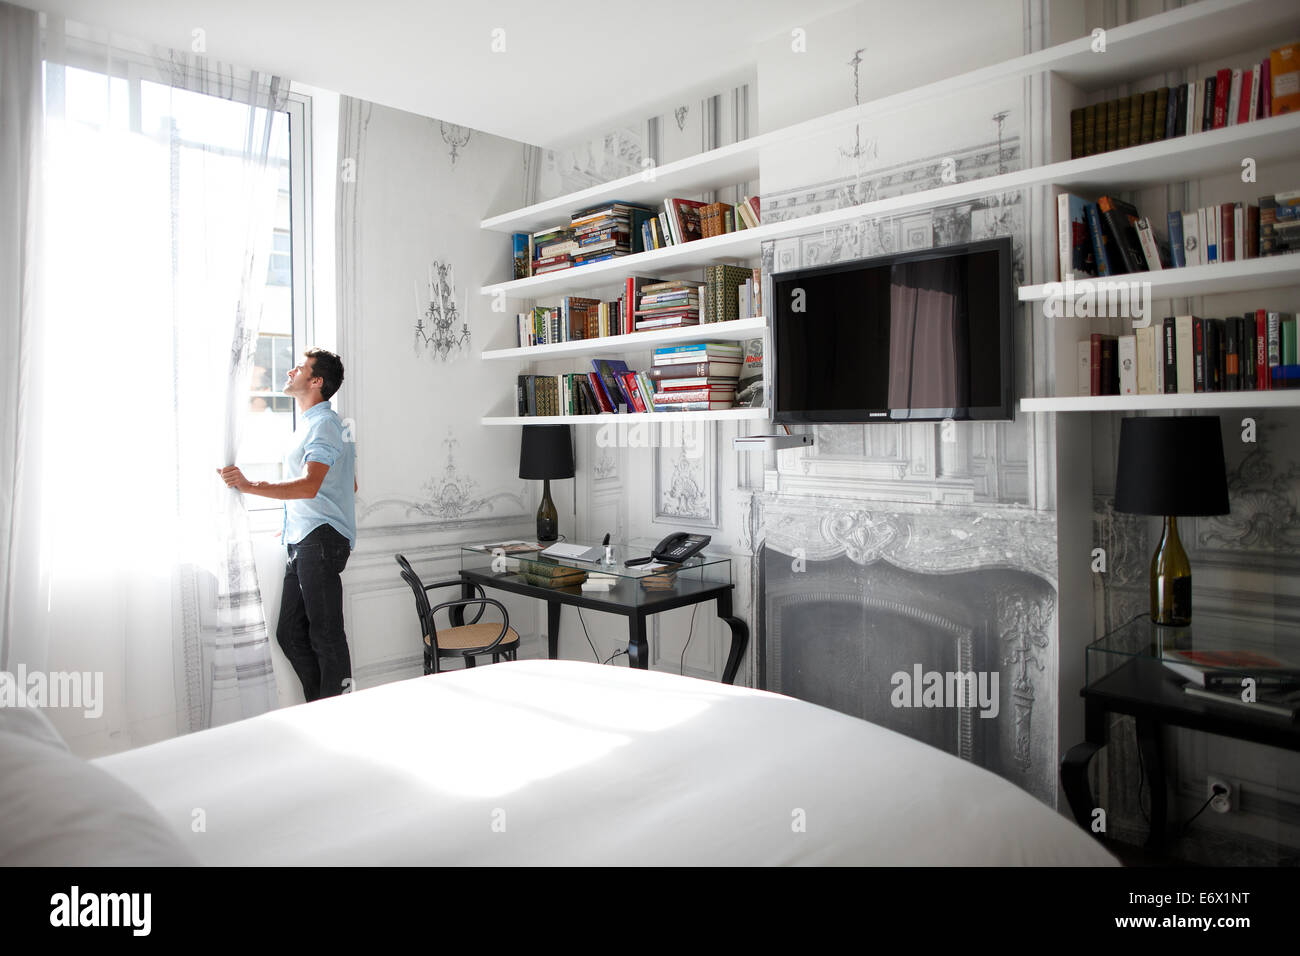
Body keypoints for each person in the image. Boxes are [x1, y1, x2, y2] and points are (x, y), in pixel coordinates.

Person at [218, 348, 357, 702]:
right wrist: (298, 518)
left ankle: (339, 718)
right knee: (291, 633)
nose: (290, 370)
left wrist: (249, 487)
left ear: (316, 381)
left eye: (300, 367)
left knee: (326, 636)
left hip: (319, 541)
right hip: (305, 536)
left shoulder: (325, 423)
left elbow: (310, 485)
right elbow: (347, 483)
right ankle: (321, 707)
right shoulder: (313, 425)